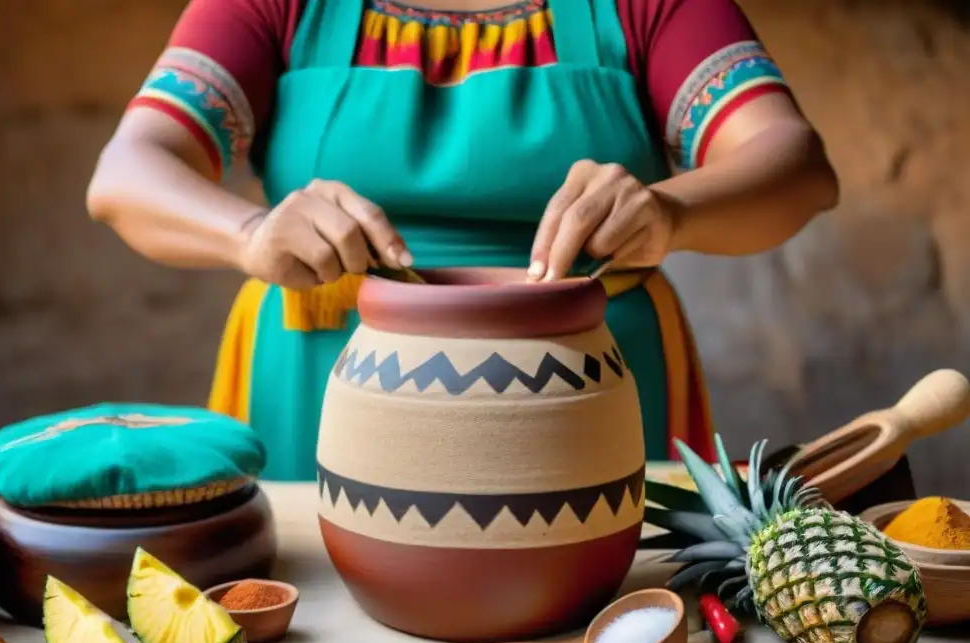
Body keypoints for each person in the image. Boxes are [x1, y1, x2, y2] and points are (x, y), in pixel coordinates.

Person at [87, 0, 838, 482]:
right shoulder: (277, 5)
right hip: (321, 377)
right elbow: (127, 172)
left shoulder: (646, 6)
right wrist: (251, 234)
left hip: (587, 382)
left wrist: (667, 212)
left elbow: (796, 167)